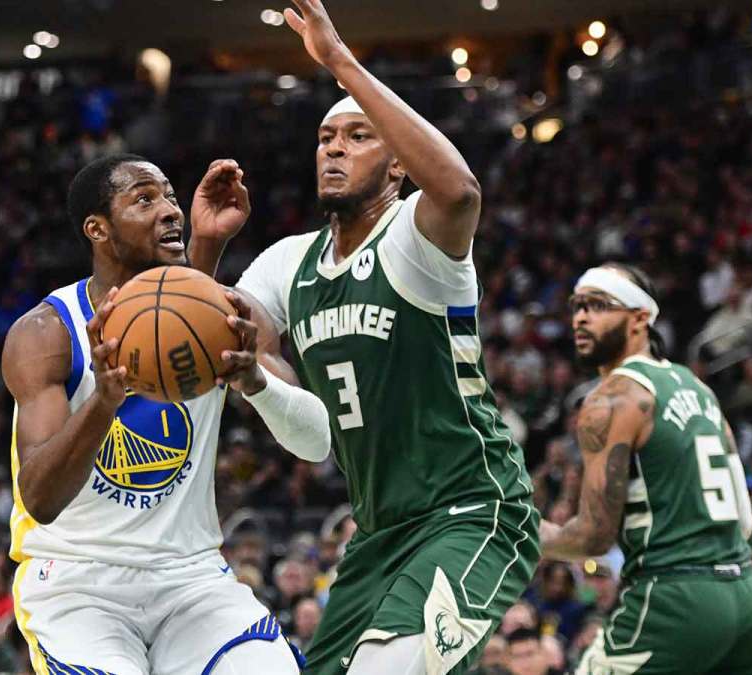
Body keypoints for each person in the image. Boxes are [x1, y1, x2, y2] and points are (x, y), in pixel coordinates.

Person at [230, 1, 537, 672]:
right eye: (326, 138)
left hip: (471, 512)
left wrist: (340, 64)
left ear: (398, 166)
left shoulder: (414, 238)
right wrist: (203, 246)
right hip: (376, 533)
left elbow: (459, 191)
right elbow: (223, 340)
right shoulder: (288, 262)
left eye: (358, 136)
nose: (335, 147)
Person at [0, 154, 330, 674]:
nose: (170, 210)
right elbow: (40, 499)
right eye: (144, 199)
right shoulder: (48, 332)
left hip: (190, 577)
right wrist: (105, 400)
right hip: (79, 582)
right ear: (97, 228)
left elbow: (316, 443)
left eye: (172, 196)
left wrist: (255, 382)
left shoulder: (226, 314)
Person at [540, 264, 752, 674]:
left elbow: (593, 538)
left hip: (675, 598)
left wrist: (518, 530)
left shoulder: (612, 398)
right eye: (577, 305)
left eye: (598, 305)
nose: (581, 316)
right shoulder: (698, 388)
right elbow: (745, 519)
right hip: (749, 597)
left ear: (639, 319)